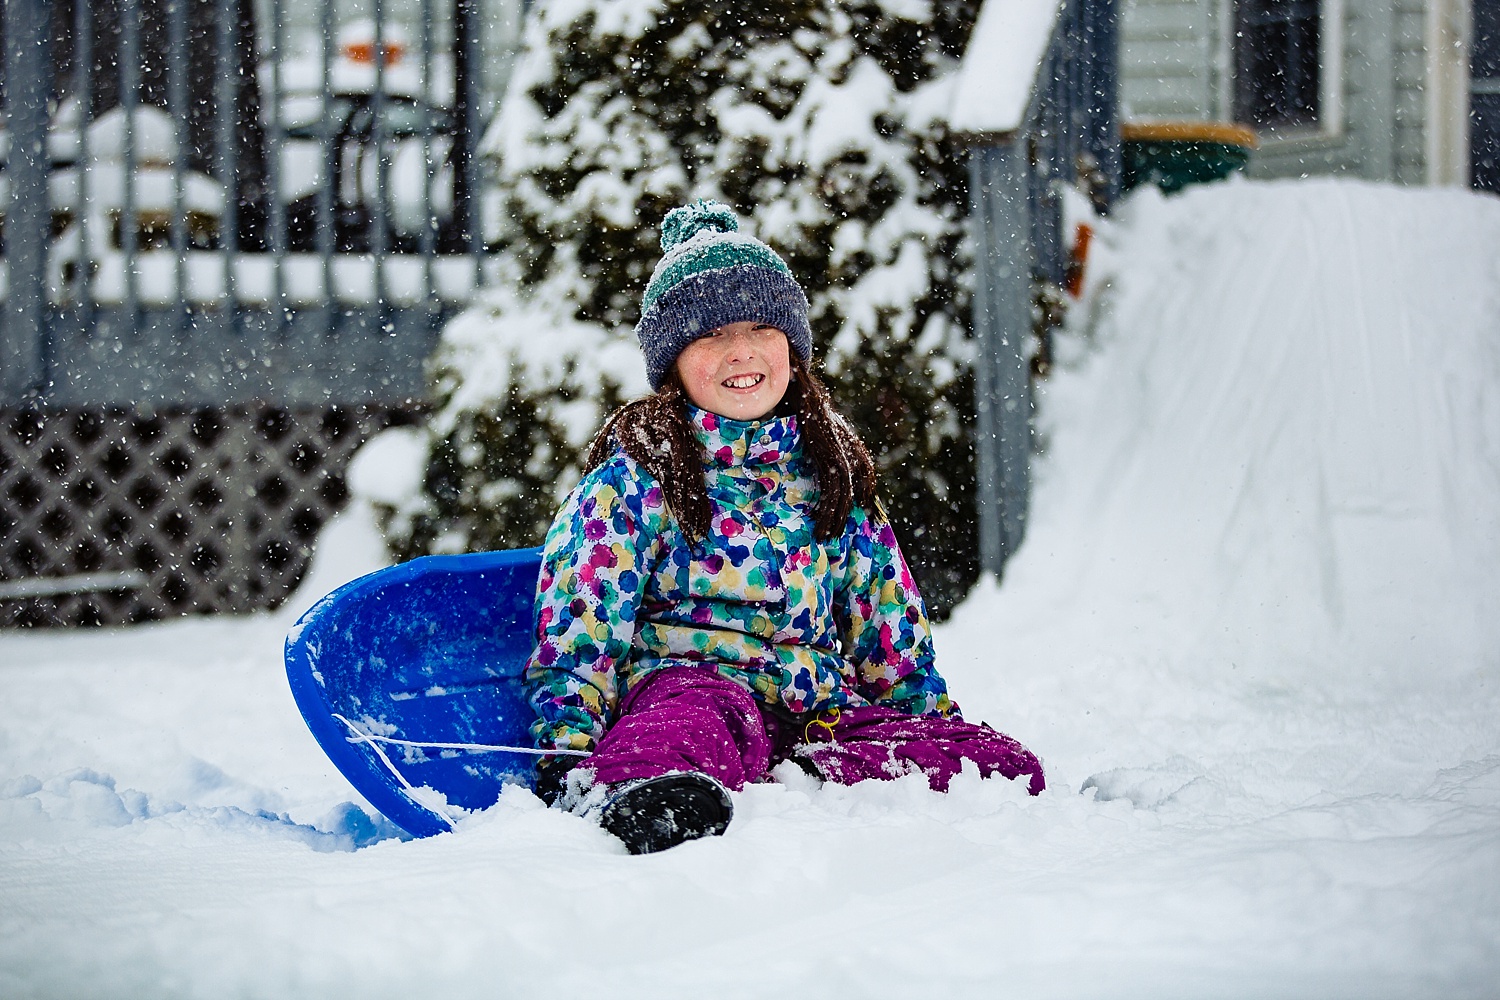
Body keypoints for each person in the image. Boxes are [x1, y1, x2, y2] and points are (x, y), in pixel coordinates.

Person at [525, 200, 1043, 854]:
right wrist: (564, 756)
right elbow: (581, 626)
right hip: (695, 687)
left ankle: (795, 782)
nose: (740, 351)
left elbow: (888, 626)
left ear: (793, 349)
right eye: (710, 334)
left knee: (998, 766)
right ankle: (634, 795)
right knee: (687, 730)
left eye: (761, 328)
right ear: (672, 361)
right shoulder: (638, 481)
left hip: (817, 710)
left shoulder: (829, 474)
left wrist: (928, 730)